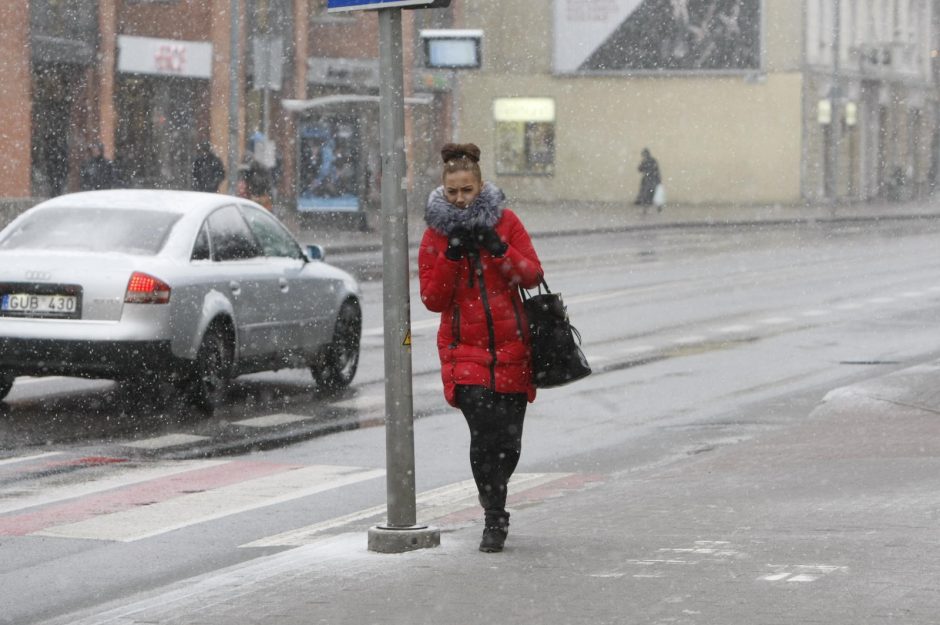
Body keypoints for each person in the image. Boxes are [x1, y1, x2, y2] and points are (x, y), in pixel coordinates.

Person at [418, 142, 544, 553]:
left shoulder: (506, 223)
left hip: (513, 351)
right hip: (465, 353)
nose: (459, 199)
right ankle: (495, 515)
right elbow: (433, 299)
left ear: (479, 186)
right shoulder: (435, 236)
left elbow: (531, 275)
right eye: (452, 192)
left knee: (509, 445)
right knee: (483, 434)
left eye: (466, 190)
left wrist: (498, 247)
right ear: (443, 190)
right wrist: (452, 255)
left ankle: (494, 492)